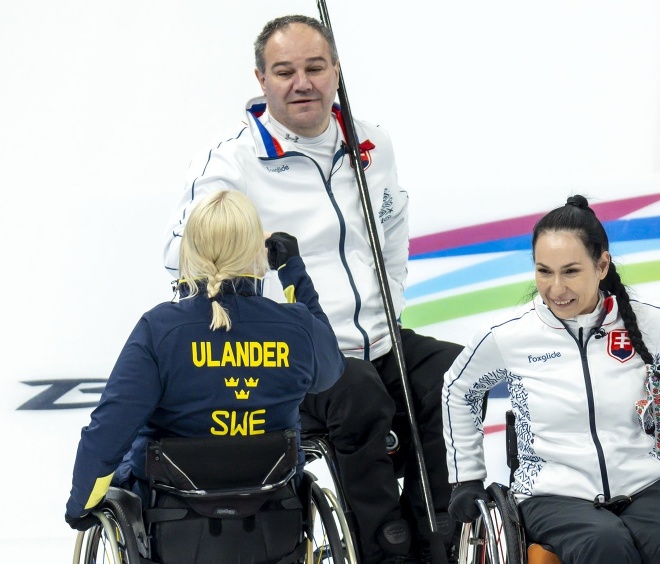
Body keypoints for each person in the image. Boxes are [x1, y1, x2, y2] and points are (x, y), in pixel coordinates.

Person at [162, 15, 462, 564]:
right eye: (284, 71)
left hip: (377, 335)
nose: (302, 83)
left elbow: (392, 227)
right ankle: (384, 546)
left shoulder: (370, 142)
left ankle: (435, 532)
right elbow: (181, 258)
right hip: (294, 355)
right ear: (261, 79)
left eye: (314, 67)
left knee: (454, 376)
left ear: (335, 71)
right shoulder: (231, 162)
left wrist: (389, 303)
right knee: (361, 394)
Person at [442, 195, 660, 563]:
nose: (556, 288)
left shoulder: (648, 324)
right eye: (544, 271)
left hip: (650, 484)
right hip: (553, 494)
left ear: (601, 264)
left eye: (570, 271)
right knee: (604, 546)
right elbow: (458, 388)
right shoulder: (511, 336)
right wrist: (467, 479)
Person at [66, 190, 344, 533]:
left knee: (127, 461)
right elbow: (330, 369)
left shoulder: (160, 330)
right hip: (276, 522)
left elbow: (108, 431)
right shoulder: (296, 326)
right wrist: (293, 272)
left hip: (172, 526)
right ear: (259, 253)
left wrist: (80, 507)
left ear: (189, 251)